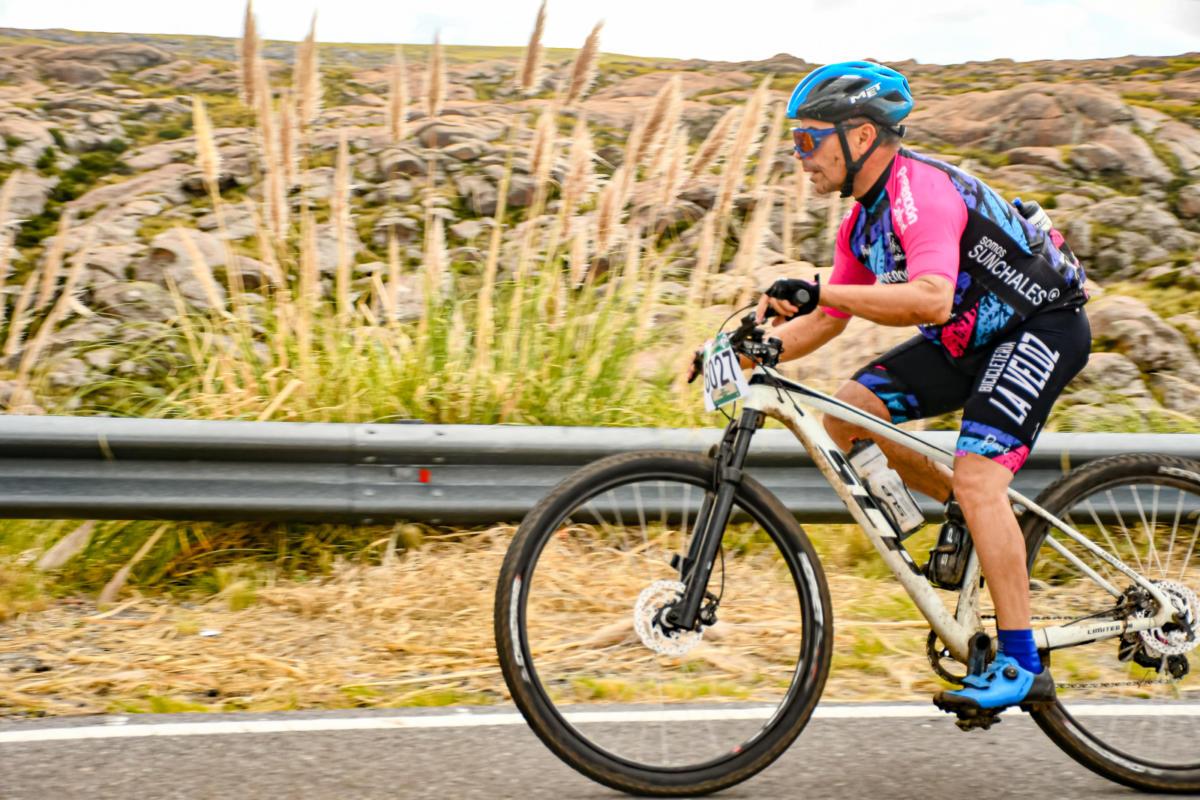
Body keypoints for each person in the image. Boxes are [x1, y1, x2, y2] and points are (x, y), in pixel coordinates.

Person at [737, 61, 1089, 718]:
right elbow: (830, 317)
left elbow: (929, 299)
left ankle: (1021, 663)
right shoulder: (860, 222)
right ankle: (968, 515)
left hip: (1039, 327)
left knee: (980, 478)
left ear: (860, 136)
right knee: (848, 414)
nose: (799, 154)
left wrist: (817, 287)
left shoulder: (918, 194)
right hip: (969, 340)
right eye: (794, 141)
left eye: (808, 139)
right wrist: (747, 350)